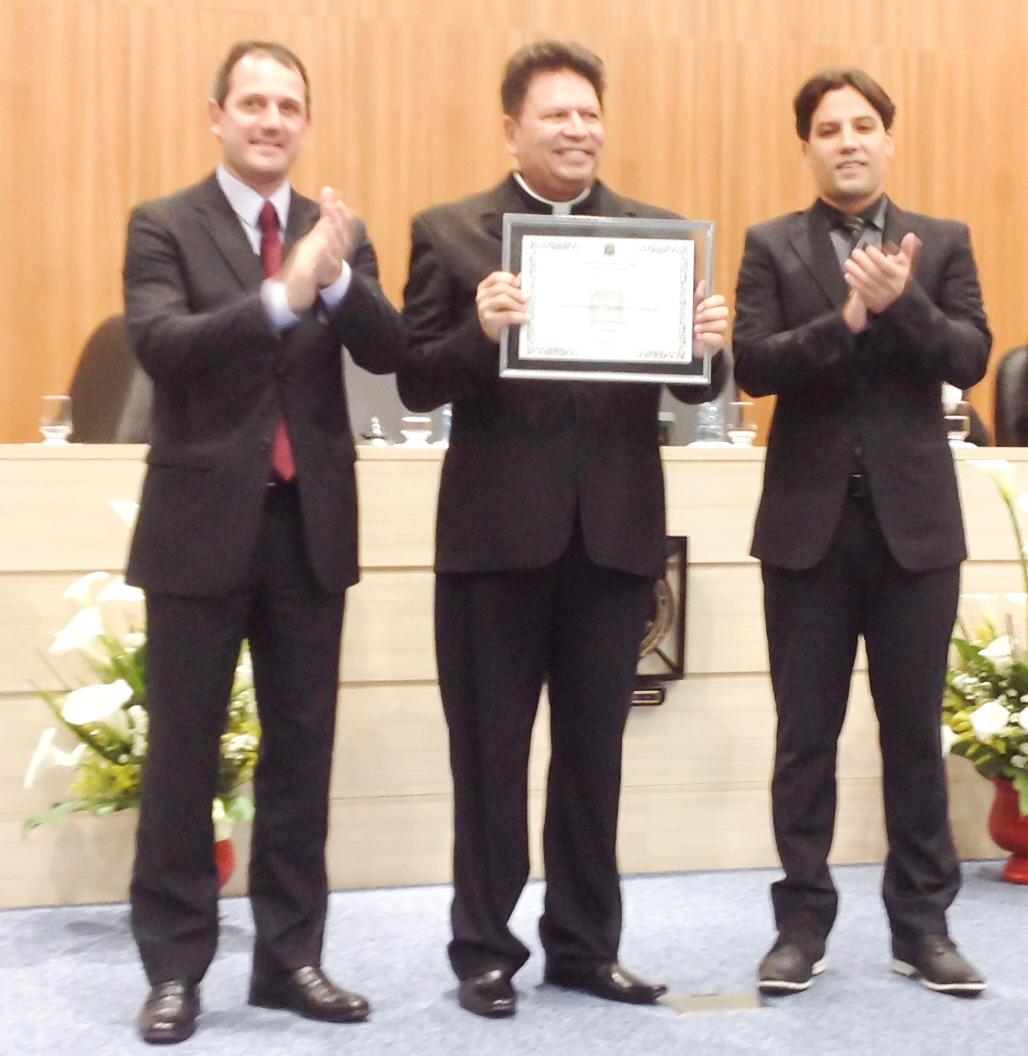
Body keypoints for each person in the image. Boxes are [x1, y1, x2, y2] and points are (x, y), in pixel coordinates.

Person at [398, 39, 729, 1019]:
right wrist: (479, 332)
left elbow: (693, 388)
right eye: (555, 114)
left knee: (594, 761)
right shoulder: (451, 235)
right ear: (512, 129)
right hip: (493, 543)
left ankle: (585, 948)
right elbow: (414, 379)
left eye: (589, 113)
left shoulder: (656, 236)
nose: (576, 130)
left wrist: (708, 349)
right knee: (489, 759)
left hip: (613, 539)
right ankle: (483, 952)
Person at [122, 40, 405, 1044]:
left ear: (306, 123)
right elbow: (162, 345)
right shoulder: (164, 224)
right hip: (199, 530)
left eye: (288, 105)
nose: (271, 120)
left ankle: (290, 960)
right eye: (253, 103)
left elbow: (390, 352)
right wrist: (282, 297)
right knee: (182, 757)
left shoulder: (338, 235)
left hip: (307, 529)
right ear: (217, 115)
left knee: (301, 754)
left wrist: (334, 279)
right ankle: (174, 969)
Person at [732, 68, 991, 998]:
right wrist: (845, 318)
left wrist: (902, 300)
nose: (847, 141)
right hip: (806, 531)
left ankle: (922, 928)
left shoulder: (943, 241)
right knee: (804, 737)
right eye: (829, 128)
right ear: (806, 146)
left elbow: (971, 355)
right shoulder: (771, 245)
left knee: (913, 736)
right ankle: (801, 925)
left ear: (888, 139)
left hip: (914, 531)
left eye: (863, 125)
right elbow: (752, 366)